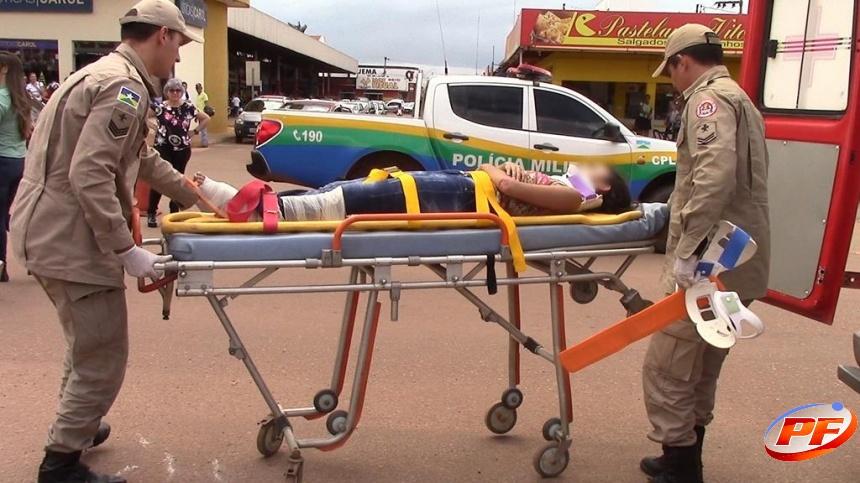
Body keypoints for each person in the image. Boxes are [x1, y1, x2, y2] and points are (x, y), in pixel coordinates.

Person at [9, 1, 203, 481]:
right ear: (161, 36)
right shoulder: (124, 87)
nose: (178, 58)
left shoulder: (99, 73)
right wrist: (124, 248)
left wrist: (205, 196)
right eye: (179, 43)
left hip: (49, 229)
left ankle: (79, 423)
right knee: (102, 355)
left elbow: (141, 158)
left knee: (86, 344)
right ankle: (61, 463)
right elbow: (91, 172)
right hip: (71, 240)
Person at [639, 24, 769, 483]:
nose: (671, 81)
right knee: (704, 361)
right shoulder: (742, 98)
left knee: (668, 364)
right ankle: (687, 455)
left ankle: (679, 463)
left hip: (709, 265)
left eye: (670, 71)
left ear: (682, 62)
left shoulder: (706, 100)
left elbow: (712, 179)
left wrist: (688, 256)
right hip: (740, 261)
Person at [193, 161, 633, 222]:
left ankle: (243, 207)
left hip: (459, 195)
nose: (586, 165)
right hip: (460, 187)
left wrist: (502, 173)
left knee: (345, 202)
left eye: (596, 168)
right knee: (351, 189)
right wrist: (502, 173)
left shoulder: (575, 197)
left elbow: (505, 183)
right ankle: (239, 199)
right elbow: (505, 178)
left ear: (605, 185)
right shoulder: (564, 186)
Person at [146, 78, 210, 227]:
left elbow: (206, 118)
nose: (175, 93)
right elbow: (142, 116)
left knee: (178, 180)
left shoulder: (188, 107)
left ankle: (174, 211)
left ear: (182, 92)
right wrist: (153, 127)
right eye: (172, 90)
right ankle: (151, 212)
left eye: (178, 90)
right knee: (159, 179)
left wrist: (194, 131)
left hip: (182, 149)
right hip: (163, 147)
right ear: (166, 92)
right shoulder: (160, 107)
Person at [0, 52, 31, 282]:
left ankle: (1, 263)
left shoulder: (2, 98)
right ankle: (33, 250)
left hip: (2, 160)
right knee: (9, 214)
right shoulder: (20, 97)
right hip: (18, 160)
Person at [194, 82, 210, 147]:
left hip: (203, 113)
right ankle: (203, 142)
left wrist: (206, 113)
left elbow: (206, 104)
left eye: (199, 88)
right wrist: (196, 117)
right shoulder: (197, 96)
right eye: (197, 88)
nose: (198, 89)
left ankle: (205, 143)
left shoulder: (204, 95)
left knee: (204, 129)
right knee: (201, 129)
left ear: (201, 88)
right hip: (199, 114)